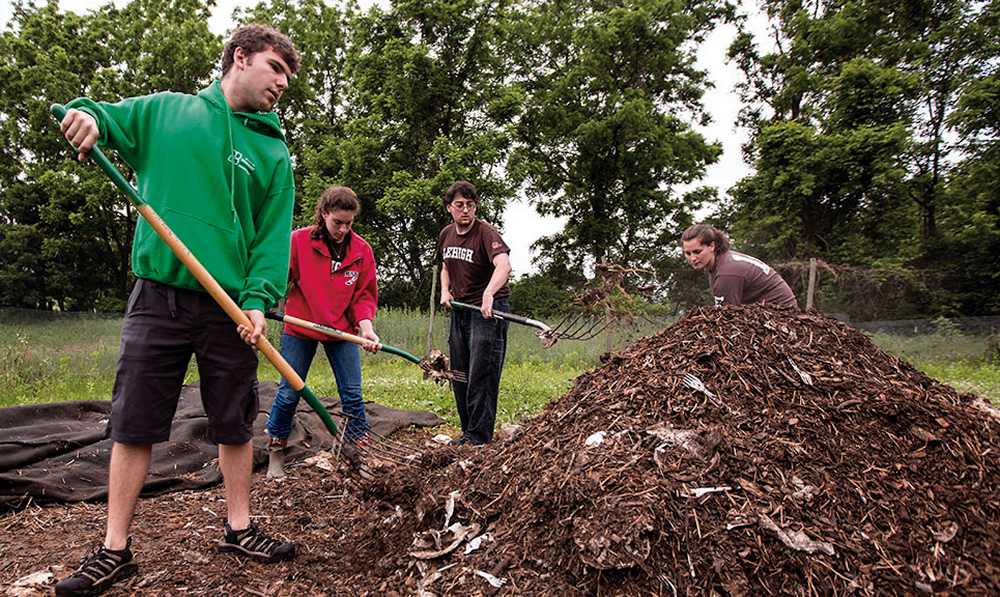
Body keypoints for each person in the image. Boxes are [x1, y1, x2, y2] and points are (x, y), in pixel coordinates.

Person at [54, 24, 301, 597]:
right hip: (158, 295)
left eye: (288, 77)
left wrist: (259, 301)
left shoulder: (272, 152)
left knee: (235, 420)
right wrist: (87, 117)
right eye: (275, 70)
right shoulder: (169, 112)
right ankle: (114, 550)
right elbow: (104, 117)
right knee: (135, 420)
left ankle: (239, 527)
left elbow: (270, 239)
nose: (283, 84)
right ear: (240, 58)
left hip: (229, 307)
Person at [266, 186, 379, 478]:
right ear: (324, 214)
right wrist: (259, 304)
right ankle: (276, 451)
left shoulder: (361, 251)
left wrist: (366, 328)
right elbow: (279, 278)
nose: (343, 229)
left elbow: (364, 297)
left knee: (352, 395)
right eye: (337, 222)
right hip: (301, 327)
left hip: (341, 331)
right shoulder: (299, 241)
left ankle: (359, 455)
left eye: (349, 223)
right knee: (289, 393)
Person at [437, 180, 512, 446]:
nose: (466, 210)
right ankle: (468, 432)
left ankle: (478, 437)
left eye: (471, 205)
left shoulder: (486, 233)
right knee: (460, 374)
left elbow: (504, 265)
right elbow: (445, 266)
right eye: (460, 205)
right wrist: (445, 291)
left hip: (488, 311)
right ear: (449, 208)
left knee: (482, 372)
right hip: (460, 310)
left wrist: (489, 293)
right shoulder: (446, 234)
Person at [681, 224, 799, 308]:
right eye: (688, 253)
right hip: (759, 310)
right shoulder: (719, 262)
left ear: (712, 246)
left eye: (697, 252)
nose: (693, 258)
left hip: (780, 313)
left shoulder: (726, 273)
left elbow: (725, 318)